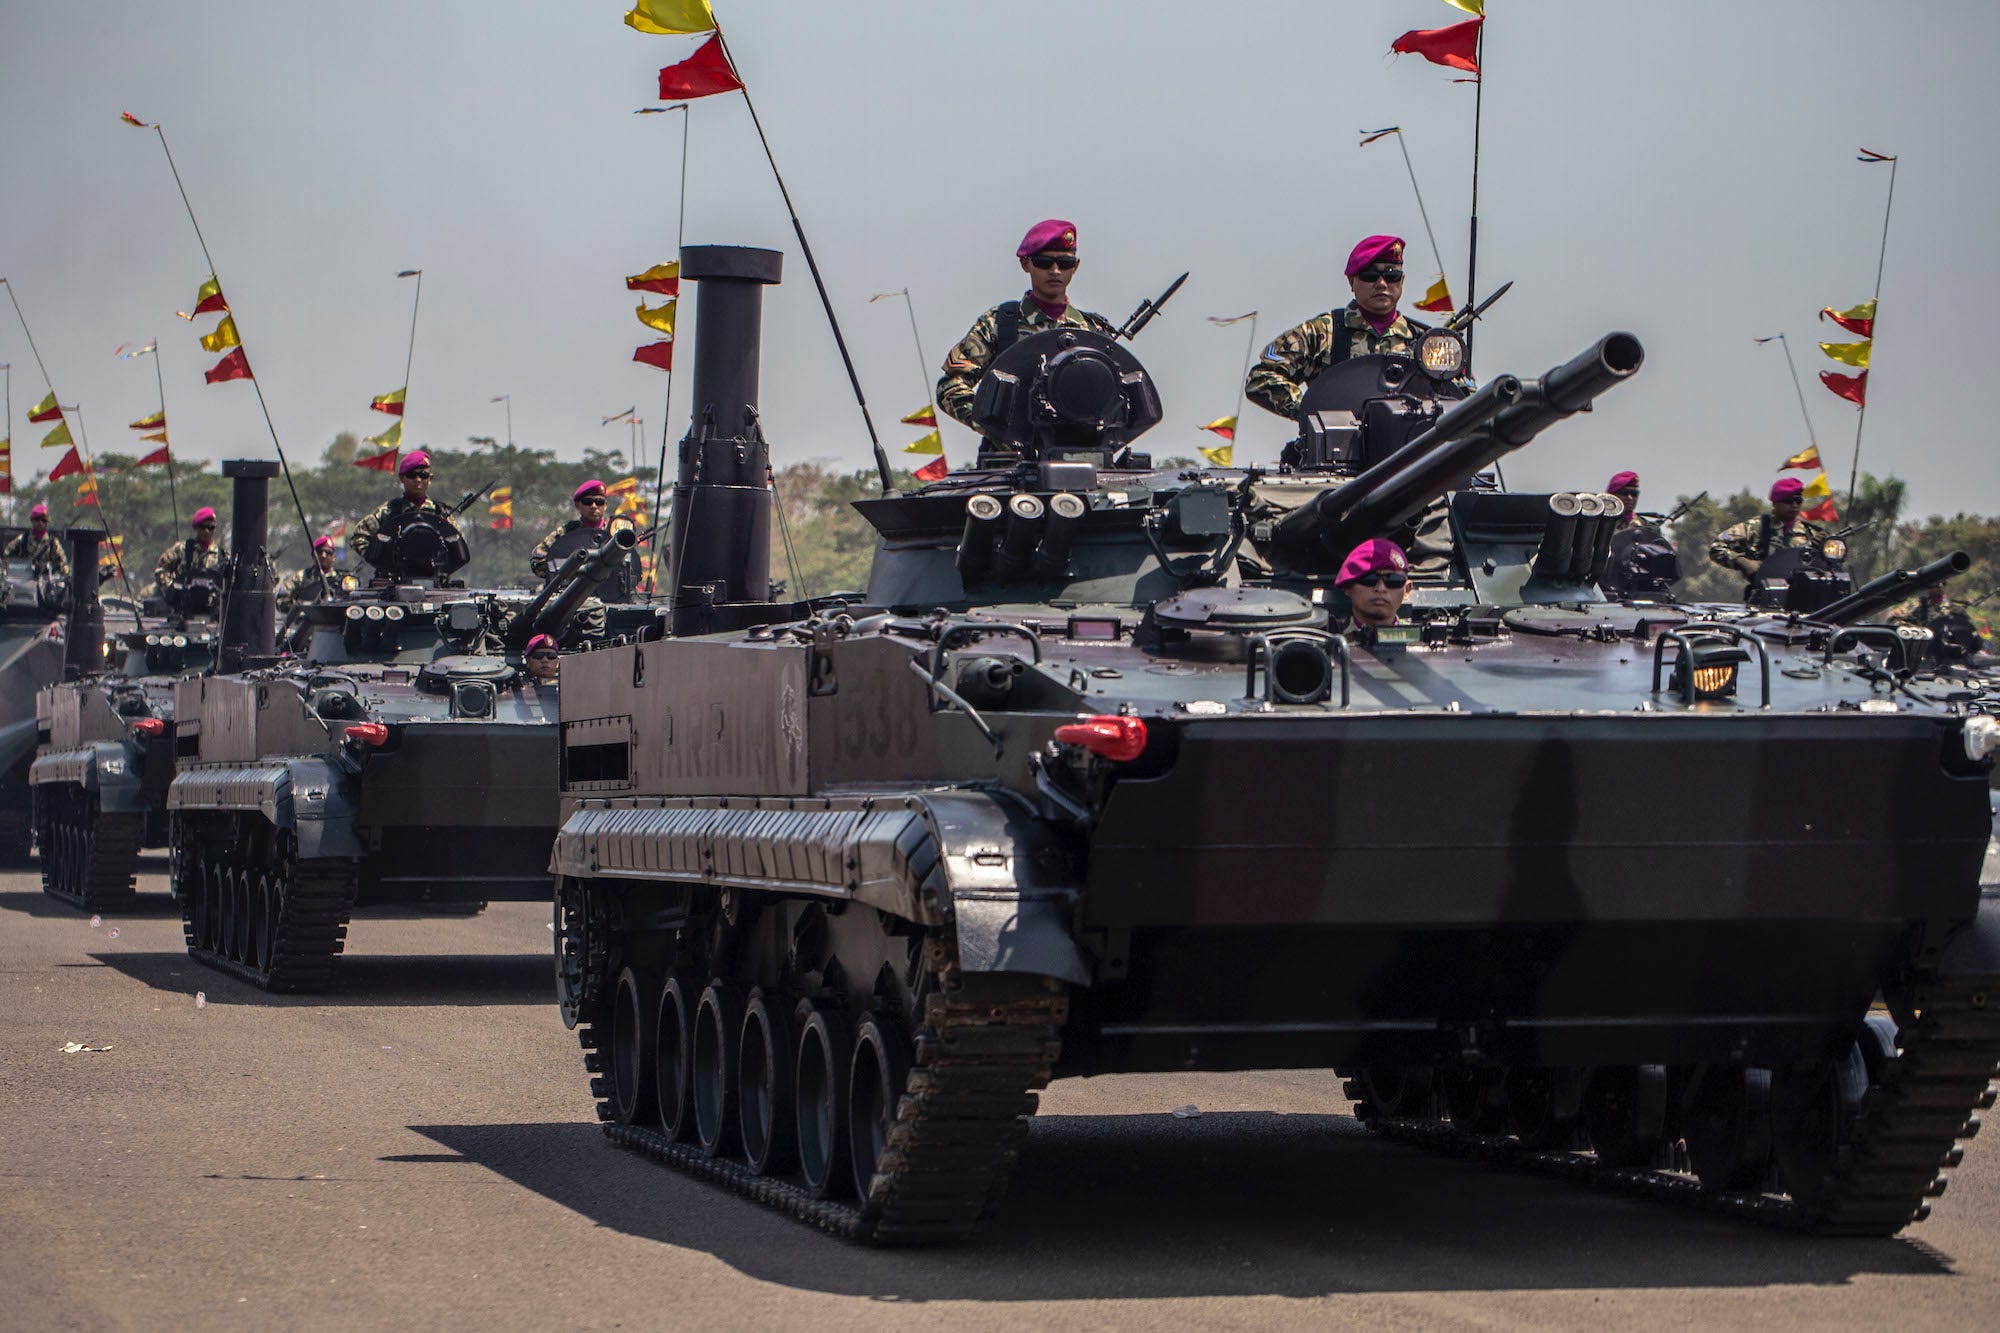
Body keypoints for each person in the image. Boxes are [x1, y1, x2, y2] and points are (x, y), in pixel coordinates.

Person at [936, 219, 1117, 445]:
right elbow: (950, 387)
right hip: (1010, 467)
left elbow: (1118, 401)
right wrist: (999, 427)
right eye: (1044, 262)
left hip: (1080, 462)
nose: (1055, 271)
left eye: (1064, 263)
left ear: (1076, 266)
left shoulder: (1092, 331)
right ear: (1025, 264)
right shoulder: (999, 324)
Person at [1245, 234, 1437, 420]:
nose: (1381, 283)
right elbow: (1261, 378)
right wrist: (1314, 411)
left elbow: (1461, 400)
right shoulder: (1323, 333)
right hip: (1339, 449)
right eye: (1370, 275)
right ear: (1352, 281)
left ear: (1402, 281)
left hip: (1413, 447)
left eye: (1391, 275)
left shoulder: (1424, 343)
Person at [348, 450, 463, 574]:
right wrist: (378, 559)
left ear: (430, 478)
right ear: (402, 478)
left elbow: (460, 544)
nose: (418, 480)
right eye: (412, 475)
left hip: (433, 581)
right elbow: (359, 535)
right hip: (394, 580)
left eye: (423, 475)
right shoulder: (390, 510)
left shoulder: (440, 512)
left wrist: (443, 568)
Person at [1708, 477, 1829, 580]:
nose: (1794, 505)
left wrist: (1823, 550)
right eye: (1788, 501)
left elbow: (1831, 564)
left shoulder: (1811, 532)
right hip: (1765, 596)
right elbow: (1717, 547)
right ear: (1775, 503)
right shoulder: (1754, 528)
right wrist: (1743, 562)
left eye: (1798, 501)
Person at [1337, 537, 1411, 629]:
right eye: (1369, 579)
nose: (1380, 588)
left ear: (1407, 590)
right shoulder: (1325, 639)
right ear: (1347, 586)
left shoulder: (1422, 640)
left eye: (1393, 580)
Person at [155, 506, 226, 599]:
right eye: (202, 527)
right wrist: (171, 589)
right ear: (195, 528)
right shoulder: (182, 549)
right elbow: (161, 570)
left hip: (212, 608)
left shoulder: (221, 555)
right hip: (183, 607)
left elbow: (228, 582)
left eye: (210, 527)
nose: (206, 531)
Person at [278, 536, 347, 612]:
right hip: (305, 621)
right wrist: (300, 609)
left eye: (328, 553)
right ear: (313, 556)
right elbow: (281, 600)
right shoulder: (301, 577)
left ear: (334, 557)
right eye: (319, 552)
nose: (323, 555)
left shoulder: (342, 580)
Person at [3, 503, 69, 577]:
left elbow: (63, 563)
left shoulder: (52, 542)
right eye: (37, 519)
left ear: (47, 522)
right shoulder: (23, 539)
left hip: (45, 581)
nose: (40, 523)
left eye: (43, 520)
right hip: (25, 579)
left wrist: (59, 577)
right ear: (32, 520)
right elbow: (7, 554)